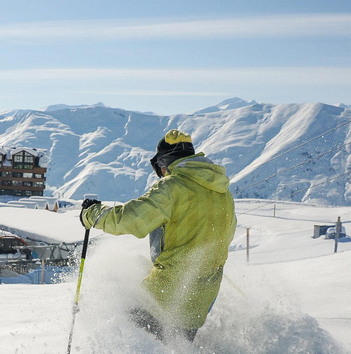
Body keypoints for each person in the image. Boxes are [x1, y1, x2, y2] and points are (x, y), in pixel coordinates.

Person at [79, 129, 237, 342]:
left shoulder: (173, 187)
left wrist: (92, 214)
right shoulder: (222, 193)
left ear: (166, 163)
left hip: (164, 294)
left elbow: (129, 219)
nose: (163, 173)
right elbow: (225, 236)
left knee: (129, 345)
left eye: (161, 169)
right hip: (201, 299)